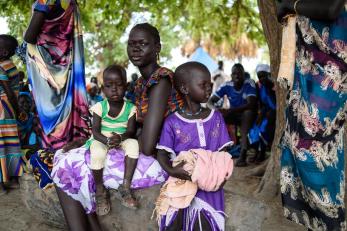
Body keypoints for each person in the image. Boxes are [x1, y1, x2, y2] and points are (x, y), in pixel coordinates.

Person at [48, 23, 183, 230]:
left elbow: (146, 145)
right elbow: (133, 128)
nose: (135, 49)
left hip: (163, 157)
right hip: (147, 151)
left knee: (69, 164)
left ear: (157, 48)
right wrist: (92, 139)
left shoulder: (161, 80)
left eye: (143, 44)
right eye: (131, 44)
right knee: (72, 157)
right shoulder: (140, 84)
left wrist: (113, 142)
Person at [277, 1, 347, 230]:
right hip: (304, 68)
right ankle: (317, 223)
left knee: (313, 148)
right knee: (297, 145)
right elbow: (280, 11)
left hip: (330, 68)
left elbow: (331, 8)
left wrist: (292, 4)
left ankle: (331, 222)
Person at [157, 62, 233, 230]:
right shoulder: (172, 121)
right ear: (184, 89)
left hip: (209, 182)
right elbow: (162, 154)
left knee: (204, 222)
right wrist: (172, 170)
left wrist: (220, 176)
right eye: (203, 85)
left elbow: (223, 155)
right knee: (173, 221)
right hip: (181, 178)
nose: (208, 88)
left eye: (210, 84)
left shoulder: (216, 118)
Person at [24, 0, 90, 150]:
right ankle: (64, 157)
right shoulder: (71, 3)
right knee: (67, 112)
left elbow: (29, 37)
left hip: (45, 70)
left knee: (50, 116)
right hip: (67, 65)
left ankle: (53, 158)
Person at [86, 64, 139, 215]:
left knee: (134, 144)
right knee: (97, 152)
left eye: (119, 85)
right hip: (102, 138)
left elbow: (130, 131)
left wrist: (121, 138)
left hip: (121, 138)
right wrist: (106, 140)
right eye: (109, 86)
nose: (114, 89)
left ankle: (126, 186)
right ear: (103, 89)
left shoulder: (130, 108)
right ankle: (100, 190)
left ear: (127, 86)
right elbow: (95, 131)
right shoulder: (99, 107)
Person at [209, 63, 257, 167]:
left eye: (240, 73)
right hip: (234, 114)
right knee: (217, 117)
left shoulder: (249, 83)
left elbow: (251, 104)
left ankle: (243, 155)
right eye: (234, 73)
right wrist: (217, 110)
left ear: (244, 75)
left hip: (247, 114)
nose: (237, 76)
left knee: (247, 114)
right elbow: (210, 102)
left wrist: (231, 110)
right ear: (231, 75)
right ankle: (216, 150)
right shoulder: (226, 85)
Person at [0, 34, 22, 194]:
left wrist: (17, 108)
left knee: (2, 144)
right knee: (11, 142)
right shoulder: (11, 65)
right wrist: (16, 110)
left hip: (3, 106)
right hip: (8, 108)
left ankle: (2, 182)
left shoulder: (1, 66)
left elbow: (7, 90)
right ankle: (13, 178)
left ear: (4, 52)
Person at [248, 64, 276, 163]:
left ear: (269, 74)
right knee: (254, 129)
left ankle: (262, 153)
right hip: (265, 112)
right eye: (259, 76)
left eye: (264, 75)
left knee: (264, 129)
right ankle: (257, 152)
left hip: (274, 112)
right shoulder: (258, 86)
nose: (261, 79)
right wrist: (261, 113)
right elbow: (260, 103)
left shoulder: (274, 85)